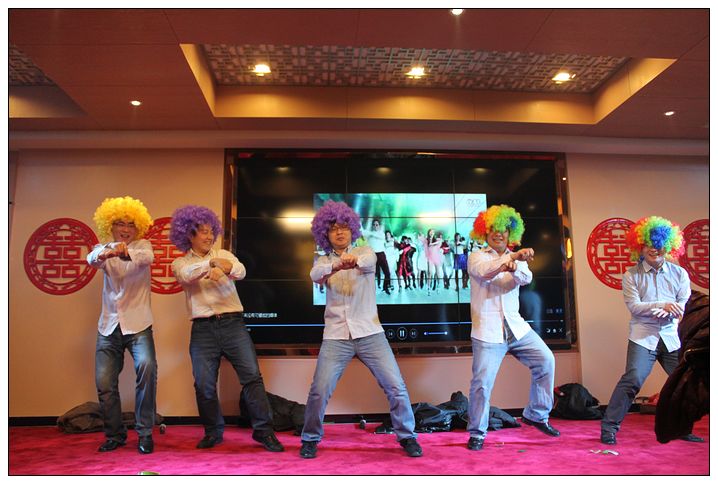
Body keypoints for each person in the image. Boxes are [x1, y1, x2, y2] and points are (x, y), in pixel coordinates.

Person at [299, 200, 422, 459]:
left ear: (352, 229)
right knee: (319, 390)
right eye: (333, 229)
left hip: (370, 333)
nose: (339, 232)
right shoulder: (322, 260)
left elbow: (367, 261)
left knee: (396, 387)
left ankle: (407, 436)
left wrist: (352, 260)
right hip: (335, 335)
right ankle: (310, 438)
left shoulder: (366, 251)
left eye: (344, 227)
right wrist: (335, 265)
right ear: (325, 233)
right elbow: (315, 274)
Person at [169, 205, 284, 452]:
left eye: (211, 231)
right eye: (203, 232)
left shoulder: (224, 254)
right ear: (189, 234)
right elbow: (185, 275)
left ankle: (264, 432)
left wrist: (224, 265)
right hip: (202, 329)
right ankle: (213, 432)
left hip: (233, 325)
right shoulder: (180, 262)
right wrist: (210, 264)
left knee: (252, 377)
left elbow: (240, 271)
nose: (209, 236)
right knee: (204, 384)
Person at [600, 216, 703, 445]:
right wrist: (662, 305)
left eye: (659, 244)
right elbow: (634, 307)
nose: (654, 249)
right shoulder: (631, 275)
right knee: (633, 379)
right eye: (648, 244)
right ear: (639, 246)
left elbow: (684, 303)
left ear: (668, 246)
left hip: (672, 337)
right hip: (643, 336)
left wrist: (671, 310)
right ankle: (609, 428)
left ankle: (681, 427)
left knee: (685, 383)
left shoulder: (679, 274)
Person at [466, 204, 559, 451]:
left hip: (516, 328)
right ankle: (477, 432)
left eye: (504, 230)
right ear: (485, 232)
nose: (499, 234)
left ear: (511, 234)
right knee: (482, 383)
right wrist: (510, 259)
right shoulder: (477, 256)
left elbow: (526, 278)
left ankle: (536, 415)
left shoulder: (517, 258)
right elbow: (484, 272)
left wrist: (516, 265)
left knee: (546, 360)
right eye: (493, 229)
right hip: (487, 331)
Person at [87, 196, 157, 454]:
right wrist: (106, 251)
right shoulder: (102, 248)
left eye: (130, 224)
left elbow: (146, 258)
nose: (125, 229)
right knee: (104, 383)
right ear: (110, 225)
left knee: (147, 370)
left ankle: (145, 433)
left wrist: (123, 252)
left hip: (139, 325)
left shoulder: (143, 246)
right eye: (120, 223)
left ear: (138, 227)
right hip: (108, 326)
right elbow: (91, 258)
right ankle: (114, 435)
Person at [364, 218, 392, 295]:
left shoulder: (381, 234)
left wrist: (369, 233)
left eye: (377, 225)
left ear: (379, 226)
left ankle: (385, 287)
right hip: (373, 256)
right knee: (373, 274)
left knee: (387, 273)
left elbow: (377, 236)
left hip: (381, 255)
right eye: (374, 225)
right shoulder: (369, 236)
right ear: (372, 226)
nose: (375, 226)